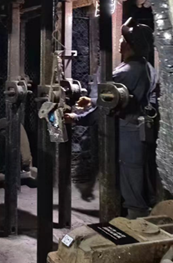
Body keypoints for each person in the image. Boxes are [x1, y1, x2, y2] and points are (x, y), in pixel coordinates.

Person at [67, 18, 158, 219]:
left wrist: (77, 118)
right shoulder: (147, 67)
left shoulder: (124, 73)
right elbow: (116, 99)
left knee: (130, 175)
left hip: (128, 131)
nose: (120, 41)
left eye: (123, 39)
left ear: (129, 44)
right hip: (140, 128)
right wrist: (92, 101)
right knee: (139, 173)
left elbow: (104, 108)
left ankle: (137, 222)